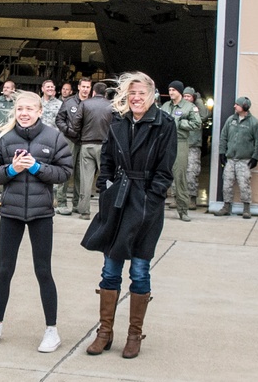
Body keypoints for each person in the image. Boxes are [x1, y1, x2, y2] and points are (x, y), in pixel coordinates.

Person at [80, 72, 176, 359]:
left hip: (145, 204)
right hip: (118, 200)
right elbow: (107, 158)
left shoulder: (164, 124)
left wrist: (152, 197)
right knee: (110, 269)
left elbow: (165, 169)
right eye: (131, 93)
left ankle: (134, 334)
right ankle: (105, 332)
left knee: (139, 270)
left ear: (152, 95)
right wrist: (105, 187)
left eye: (141, 93)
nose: (136, 98)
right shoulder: (118, 121)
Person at [0, 90, 72, 353]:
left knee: (43, 271)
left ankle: (52, 330)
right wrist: (11, 170)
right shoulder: (2, 138)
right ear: (15, 111)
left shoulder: (53, 137)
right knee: (4, 270)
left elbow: (64, 172)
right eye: (20, 109)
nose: (24, 113)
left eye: (30, 109)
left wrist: (36, 168)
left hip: (41, 214)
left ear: (40, 111)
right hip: (10, 213)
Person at [68, 82, 114, 220]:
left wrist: (80, 134)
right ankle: (108, 210)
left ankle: (84, 211)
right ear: (105, 93)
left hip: (87, 145)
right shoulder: (111, 105)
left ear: (93, 92)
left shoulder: (85, 104)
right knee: (107, 179)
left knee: (85, 180)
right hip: (105, 146)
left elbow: (75, 124)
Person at [214, 96, 258, 217]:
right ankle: (226, 206)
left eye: (237, 104)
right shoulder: (230, 120)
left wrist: (255, 157)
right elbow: (224, 137)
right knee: (227, 184)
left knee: (244, 184)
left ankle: (246, 208)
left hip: (244, 160)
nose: (234, 106)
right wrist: (222, 153)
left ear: (245, 107)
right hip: (231, 159)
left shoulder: (254, 123)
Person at [160, 80, 202, 222]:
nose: (171, 92)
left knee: (179, 176)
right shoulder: (165, 106)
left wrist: (179, 123)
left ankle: (183, 210)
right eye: (169, 90)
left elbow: (197, 123)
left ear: (180, 92)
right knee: (161, 174)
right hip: (165, 143)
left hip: (180, 142)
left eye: (174, 90)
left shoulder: (189, 107)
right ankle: (157, 207)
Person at [55, 77, 91, 214]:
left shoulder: (91, 103)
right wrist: (69, 131)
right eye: (84, 87)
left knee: (81, 174)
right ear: (79, 87)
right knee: (66, 170)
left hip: (85, 141)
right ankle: (61, 202)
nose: (86, 89)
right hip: (69, 140)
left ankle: (77, 204)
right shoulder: (69, 102)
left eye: (88, 87)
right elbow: (59, 119)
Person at [183, 87, 208, 210]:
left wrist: (198, 100)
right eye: (184, 96)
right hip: (181, 144)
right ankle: (178, 198)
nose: (186, 98)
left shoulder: (196, 109)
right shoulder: (180, 108)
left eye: (189, 96)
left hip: (193, 145)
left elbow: (204, 115)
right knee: (178, 172)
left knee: (192, 173)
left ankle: (192, 199)